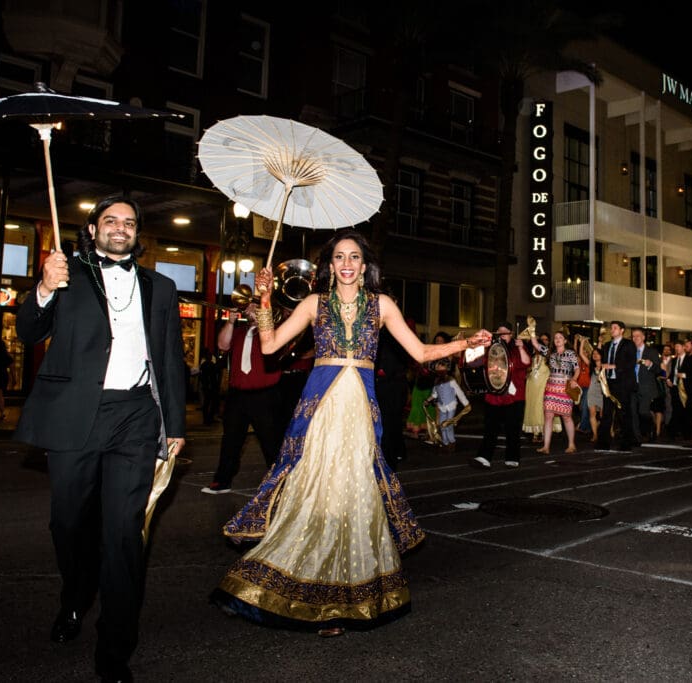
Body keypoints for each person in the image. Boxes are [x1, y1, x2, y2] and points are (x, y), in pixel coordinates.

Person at [210, 228, 490, 637]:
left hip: (359, 411)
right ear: (329, 265)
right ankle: (302, 591)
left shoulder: (382, 305)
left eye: (353, 257)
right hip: (320, 412)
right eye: (339, 257)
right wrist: (265, 298)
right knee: (315, 493)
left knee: (353, 496)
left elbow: (420, 353)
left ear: (365, 265)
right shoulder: (312, 303)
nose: (346, 264)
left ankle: (344, 599)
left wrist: (465, 342)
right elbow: (269, 348)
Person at [13, 195, 186, 683]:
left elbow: (171, 360)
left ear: (137, 233)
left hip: (135, 415)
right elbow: (28, 331)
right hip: (74, 415)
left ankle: (114, 649)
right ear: (92, 229)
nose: (120, 228)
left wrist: (174, 426)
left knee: (124, 534)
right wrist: (45, 288)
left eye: (129, 222)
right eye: (111, 220)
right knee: (67, 524)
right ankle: (74, 597)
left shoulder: (161, 287)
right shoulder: (66, 275)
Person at [201, 301, 286, 495]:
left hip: (264, 394)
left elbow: (277, 349)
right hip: (237, 394)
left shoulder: (272, 331)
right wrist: (230, 322)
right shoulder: (239, 331)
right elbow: (222, 345)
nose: (248, 310)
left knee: (270, 442)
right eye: (247, 307)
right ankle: (222, 481)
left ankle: (279, 484)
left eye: (253, 306)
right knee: (230, 440)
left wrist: (262, 321)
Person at [472, 321, 531, 468]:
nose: (502, 335)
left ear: (511, 334)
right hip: (494, 395)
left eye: (505, 332)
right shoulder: (490, 348)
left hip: (514, 396)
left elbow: (526, 362)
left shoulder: (517, 349)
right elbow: (475, 363)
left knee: (512, 429)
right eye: (499, 333)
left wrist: (521, 347)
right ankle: (484, 456)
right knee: (490, 428)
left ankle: (512, 457)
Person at [375, 322, 413, 469]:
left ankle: (390, 458)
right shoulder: (384, 330)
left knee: (389, 422)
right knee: (392, 421)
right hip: (388, 382)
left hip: (391, 383)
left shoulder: (392, 330)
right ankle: (397, 452)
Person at [596, 320, 637, 450]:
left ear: (622, 330)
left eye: (615, 328)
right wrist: (602, 368)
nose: (612, 330)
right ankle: (603, 442)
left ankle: (626, 442)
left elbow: (631, 363)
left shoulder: (628, 344)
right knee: (606, 413)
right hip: (609, 383)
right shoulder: (607, 345)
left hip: (622, 384)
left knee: (623, 413)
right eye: (611, 328)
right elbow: (603, 361)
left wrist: (614, 366)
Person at [537, 330, 579, 454]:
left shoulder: (571, 353)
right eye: (555, 337)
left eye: (560, 337)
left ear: (565, 340)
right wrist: (532, 331)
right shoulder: (550, 353)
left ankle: (572, 444)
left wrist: (574, 379)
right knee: (548, 416)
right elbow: (537, 345)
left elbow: (577, 369)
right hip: (551, 387)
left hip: (565, 388)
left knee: (566, 416)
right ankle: (546, 446)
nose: (557, 339)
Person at [428, 357, 470, 452]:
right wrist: (428, 400)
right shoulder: (437, 381)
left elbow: (459, 393)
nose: (440, 370)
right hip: (442, 406)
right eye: (438, 369)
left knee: (448, 425)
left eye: (442, 368)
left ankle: (452, 442)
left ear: (446, 369)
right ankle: (445, 443)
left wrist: (466, 404)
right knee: (442, 425)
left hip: (451, 405)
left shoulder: (451, 380)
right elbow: (435, 393)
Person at [629, 327, 661, 443]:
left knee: (643, 412)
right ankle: (637, 438)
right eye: (633, 336)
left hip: (646, 387)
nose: (635, 338)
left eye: (638, 336)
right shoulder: (630, 351)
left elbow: (658, 370)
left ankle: (651, 428)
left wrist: (650, 364)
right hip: (633, 386)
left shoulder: (651, 351)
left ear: (643, 337)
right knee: (633, 412)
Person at [522, 327, 550, 443]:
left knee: (541, 407)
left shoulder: (549, 355)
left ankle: (542, 432)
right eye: (541, 340)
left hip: (543, 386)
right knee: (533, 407)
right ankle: (535, 431)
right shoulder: (531, 356)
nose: (543, 341)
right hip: (532, 386)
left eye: (546, 340)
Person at [573, 334, 593, 436]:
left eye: (586, 351)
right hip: (580, 388)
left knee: (585, 407)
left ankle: (583, 426)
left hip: (588, 388)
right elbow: (576, 353)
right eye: (583, 351)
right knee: (582, 408)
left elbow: (580, 353)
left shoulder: (590, 362)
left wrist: (583, 342)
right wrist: (576, 341)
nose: (583, 353)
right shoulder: (579, 362)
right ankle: (588, 427)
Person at [198, 347, 222, 425]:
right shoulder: (210, 365)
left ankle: (207, 418)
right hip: (210, 386)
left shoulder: (204, 365)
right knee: (210, 402)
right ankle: (209, 418)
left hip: (207, 386)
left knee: (208, 402)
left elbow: (202, 376)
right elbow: (214, 374)